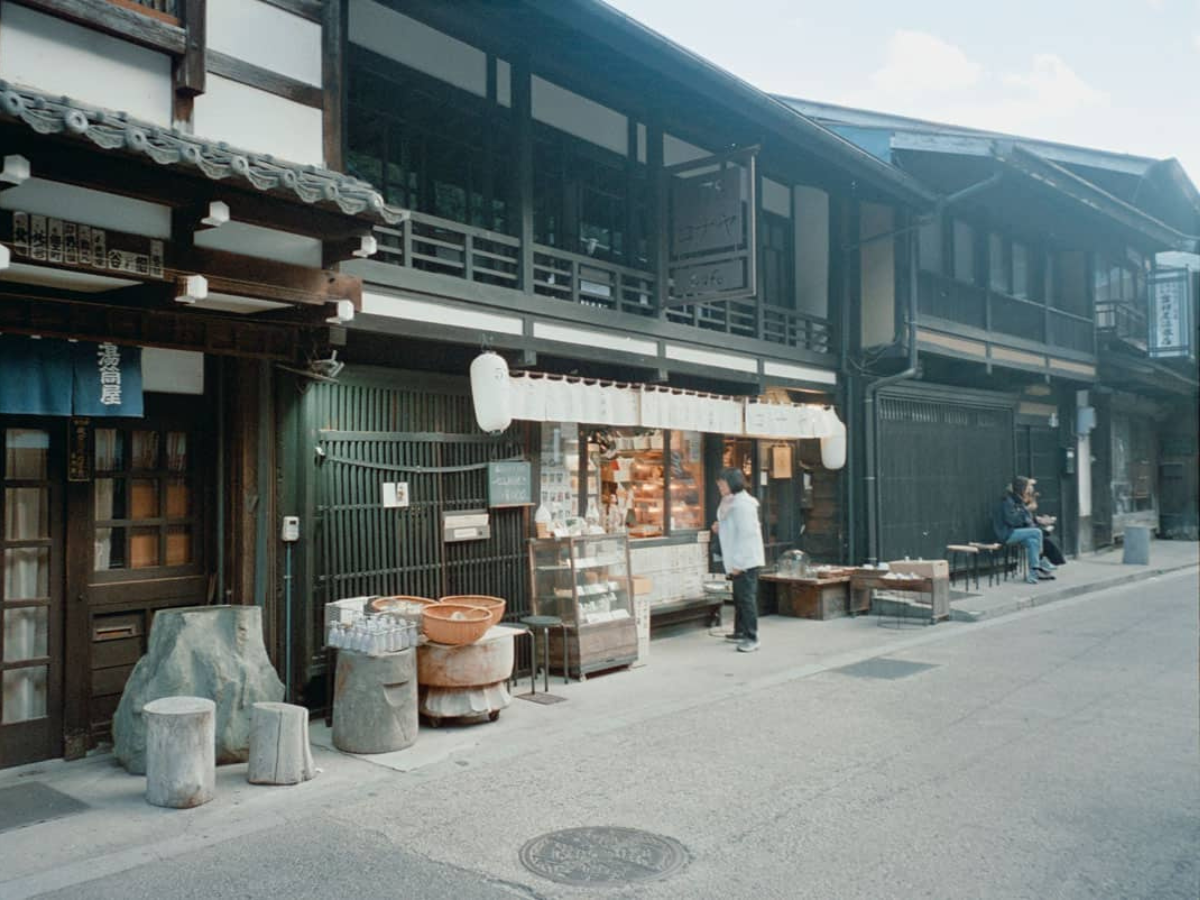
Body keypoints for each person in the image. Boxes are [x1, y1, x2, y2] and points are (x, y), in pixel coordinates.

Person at [713, 467, 766, 652]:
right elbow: (731, 525)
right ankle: (740, 631)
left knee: (746, 599)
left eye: (722, 483)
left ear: (732, 483)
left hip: (746, 560)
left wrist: (739, 563)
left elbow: (747, 535)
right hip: (737, 557)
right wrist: (720, 526)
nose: (720, 486)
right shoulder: (730, 501)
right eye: (719, 483)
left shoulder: (743, 505)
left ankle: (752, 636)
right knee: (739, 597)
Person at [992, 476, 1055, 585]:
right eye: (1027, 487)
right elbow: (1012, 520)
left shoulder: (1017, 500)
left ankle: (1033, 575)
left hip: (1015, 532)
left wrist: (1036, 519)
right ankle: (1041, 561)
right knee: (1037, 532)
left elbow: (1023, 519)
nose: (1028, 490)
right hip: (1006, 534)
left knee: (1033, 542)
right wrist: (1026, 509)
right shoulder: (1007, 501)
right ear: (1021, 488)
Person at [1025, 479, 1067, 567]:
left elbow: (1031, 516)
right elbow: (1024, 516)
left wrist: (1040, 519)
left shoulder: (1030, 497)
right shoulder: (1022, 500)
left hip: (1030, 524)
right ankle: (1044, 564)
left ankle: (1047, 563)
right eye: (1029, 486)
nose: (1031, 488)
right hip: (1026, 527)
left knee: (1051, 538)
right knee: (1043, 539)